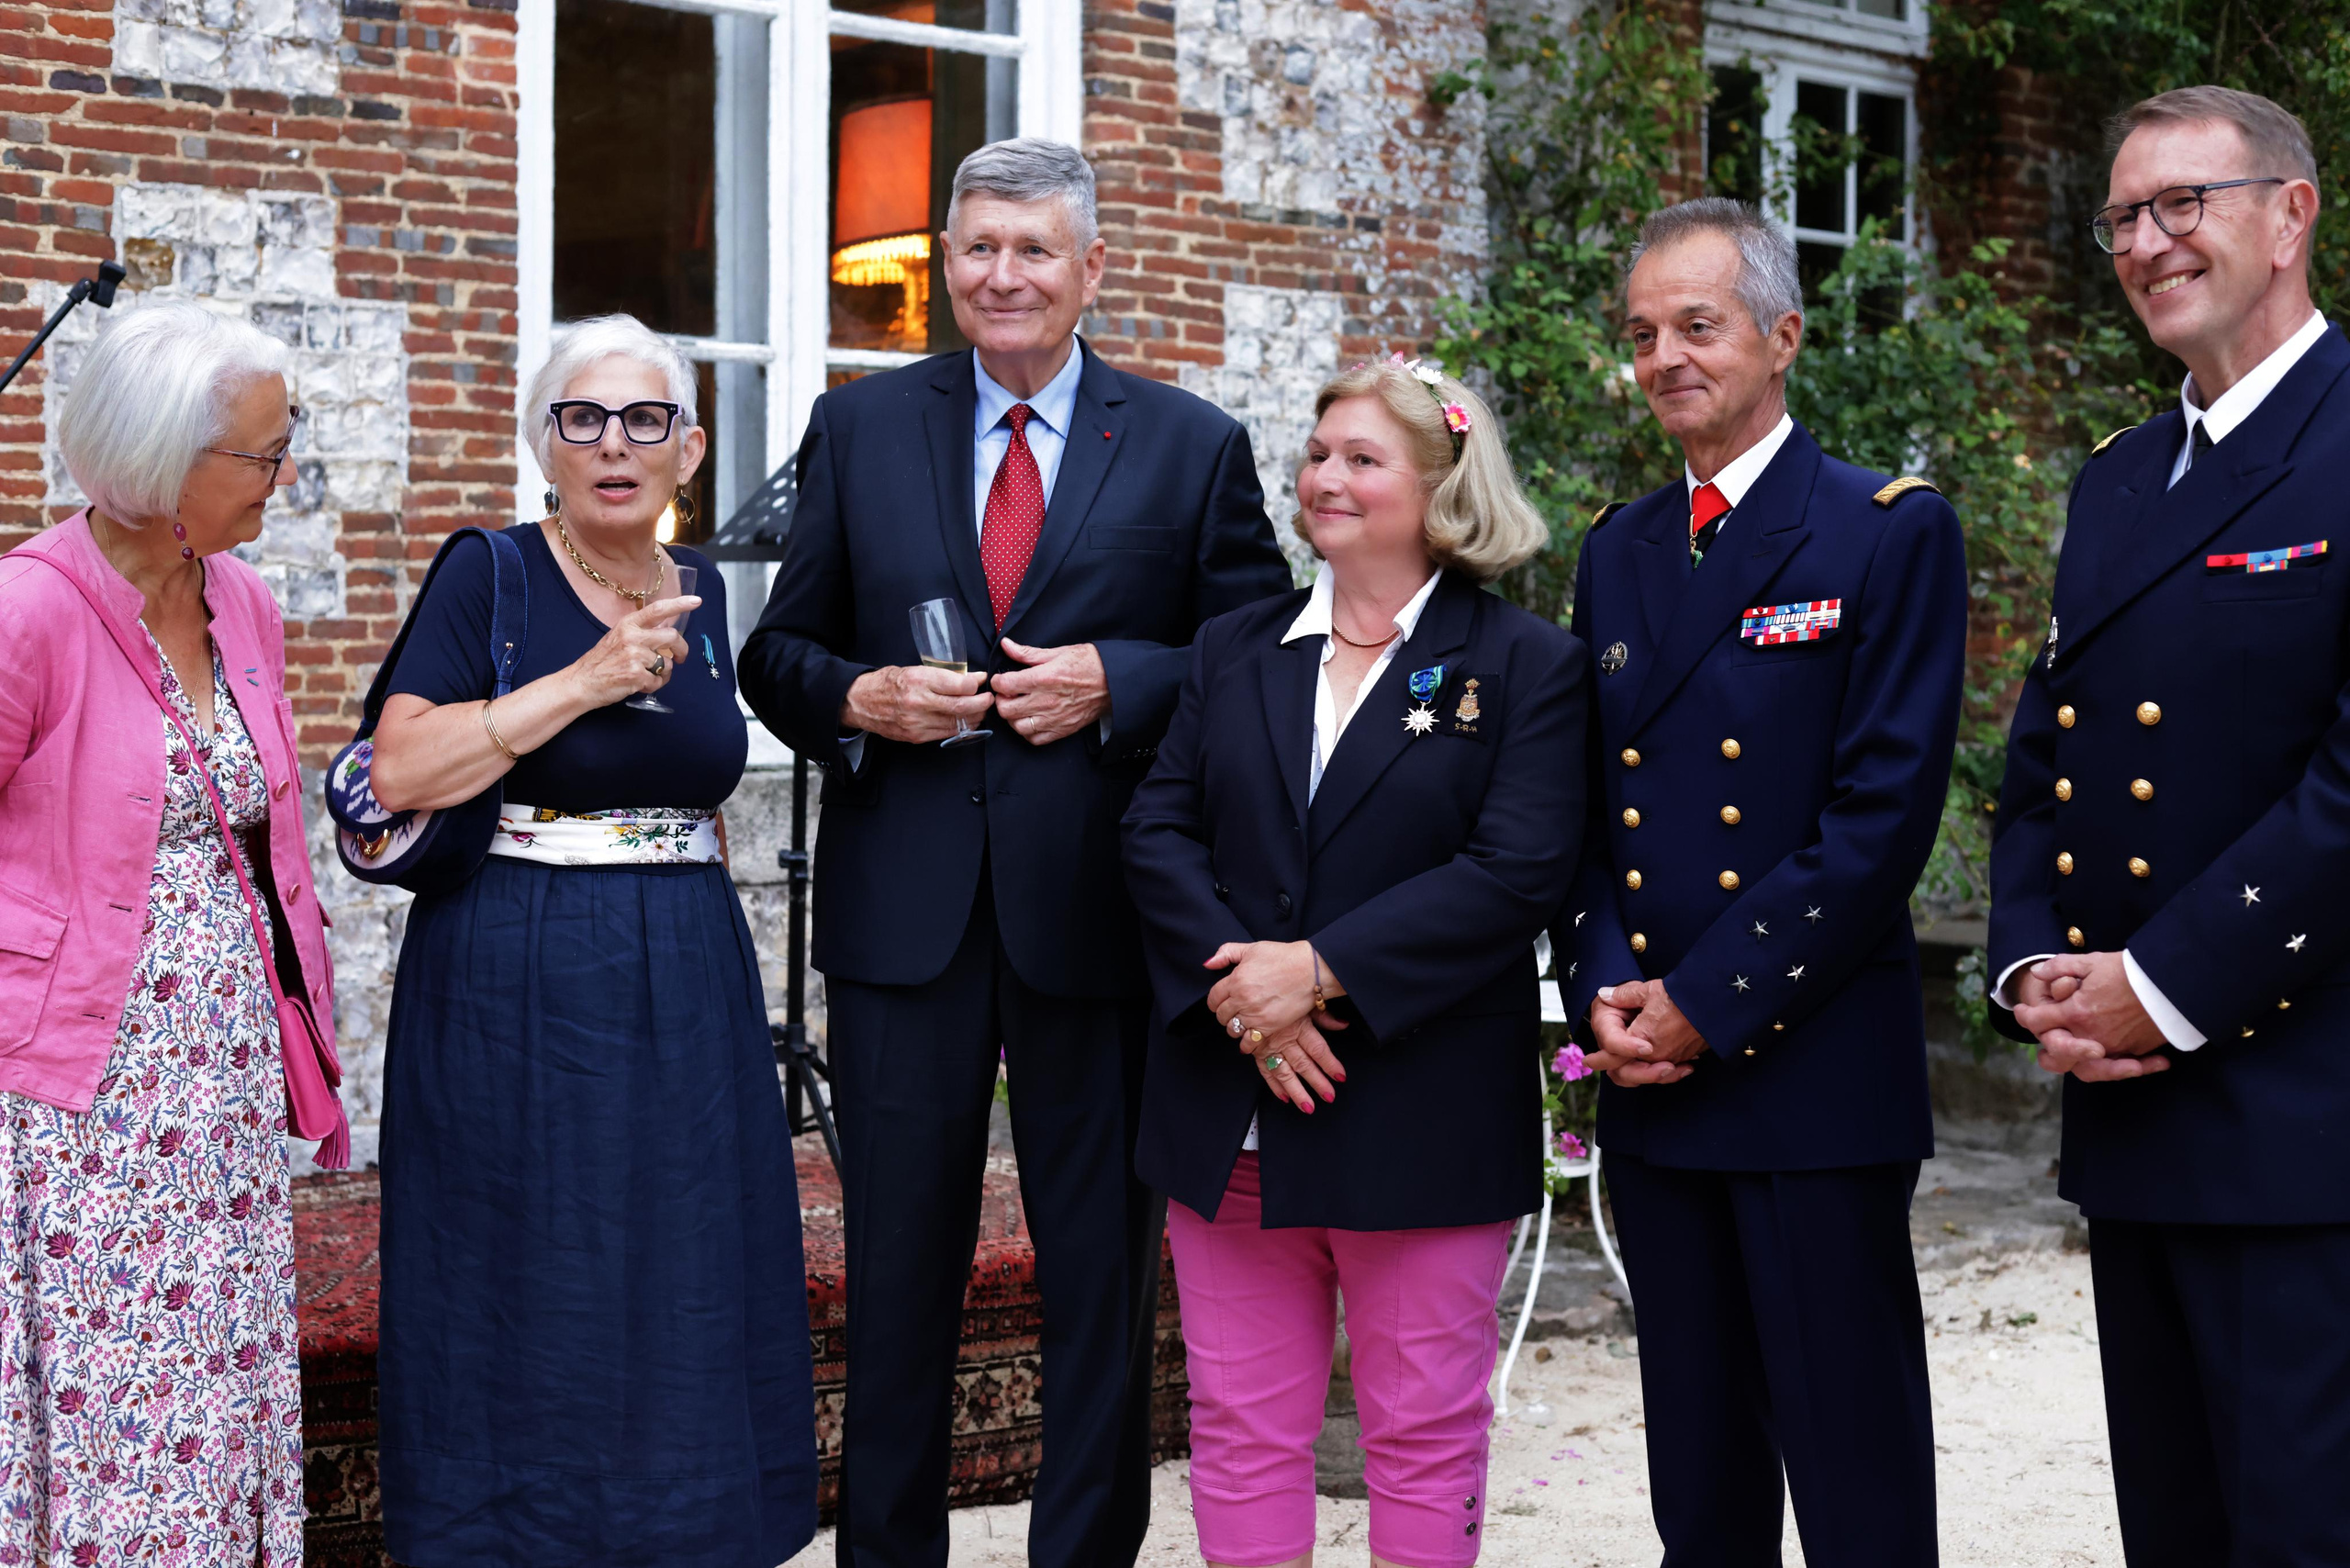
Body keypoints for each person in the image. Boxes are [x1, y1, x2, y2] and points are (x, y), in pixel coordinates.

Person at [738, 138, 1290, 1568]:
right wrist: (857, 698)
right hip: (902, 924)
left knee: (1101, 1275)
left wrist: (1123, 681)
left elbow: (1264, 659)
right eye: (978, 247)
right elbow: (776, 653)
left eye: (1034, 249)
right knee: (896, 1277)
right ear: (945, 263)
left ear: (1091, 268)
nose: (1003, 275)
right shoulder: (857, 428)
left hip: (1102, 919)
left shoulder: (1189, 443)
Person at [364, 314, 817, 1567]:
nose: (614, 445)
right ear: (544, 443)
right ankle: (509, 1537)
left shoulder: (701, 587)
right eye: (583, 418)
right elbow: (398, 768)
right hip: (518, 960)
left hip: (686, 964)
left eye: (644, 419)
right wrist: (582, 683)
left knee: (682, 1257)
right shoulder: (490, 573)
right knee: (524, 1257)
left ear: (689, 449)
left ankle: (684, 1532)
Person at [1555, 198, 1966, 1565]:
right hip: (1656, 1077)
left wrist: (1705, 1002)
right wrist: (1606, 984)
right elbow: (1588, 809)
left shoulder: (1883, 530)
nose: (1665, 357)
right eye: (1642, 334)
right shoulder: (1617, 548)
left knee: (1855, 1482)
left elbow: (1880, 820)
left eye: (1698, 325)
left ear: (1783, 337)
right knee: (1701, 1480)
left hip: (1810, 1073)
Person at [1122, 356, 1585, 1568]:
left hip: (1422, 1113)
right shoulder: (1235, 645)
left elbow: (1515, 872)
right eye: (1318, 454)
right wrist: (1252, 999)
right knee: (1239, 1430)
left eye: (1362, 459)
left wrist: (1318, 971)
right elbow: (1156, 830)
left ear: (1441, 488)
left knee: (1423, 1435)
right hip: (1236, 1105)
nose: (1324, 476)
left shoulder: (1527, 664)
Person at [1989, 87, 2350, 1563]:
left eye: (2183, 204)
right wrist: (2032, 968)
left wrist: (2164, 982)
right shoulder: (2123, 478)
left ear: (2293, 213)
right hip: (2134, 1115)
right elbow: (2045, 756)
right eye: (2124, 218)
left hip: (2307, 1124)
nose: (2147, 243)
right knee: (2176, 1531)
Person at [0, 301, 346, 1563]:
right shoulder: (27, 610)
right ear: (159, 462)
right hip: (85, 1086)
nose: (283, 475)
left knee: (212, 1360)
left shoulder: (242, 601)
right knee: (124, 1383)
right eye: (262, 454)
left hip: (222, 1069)